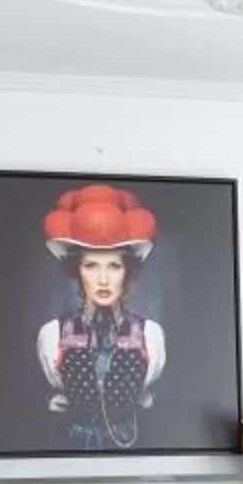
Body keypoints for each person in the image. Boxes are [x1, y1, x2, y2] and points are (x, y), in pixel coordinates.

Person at [34, 184, 167, 450]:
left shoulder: (149, 335)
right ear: (78, 271)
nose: (103, 279)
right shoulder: (54, 334)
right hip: (70, 448)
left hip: (132, 447)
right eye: (91, 266)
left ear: (127, 273)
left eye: (114, 266)